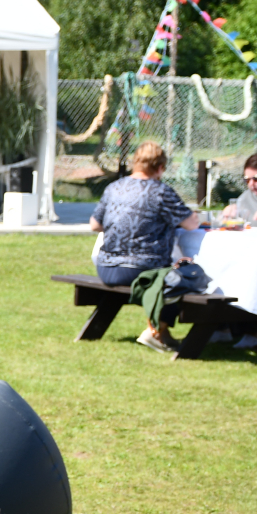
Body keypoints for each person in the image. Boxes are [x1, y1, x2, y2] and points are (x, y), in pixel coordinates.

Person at [88, 141, 200, 354]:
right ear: (160, 168)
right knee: (184, 276)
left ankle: (162, 333)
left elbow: (95, 224)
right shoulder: (160, 191)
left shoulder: (114, 187)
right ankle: (157, 330)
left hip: (106, 268)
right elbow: (191, 224)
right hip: (141, 268)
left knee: (168, 277)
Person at [222, 151, 257, 224]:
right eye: (247, 180)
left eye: (256, 179)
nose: (251, 184)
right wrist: (227, 214)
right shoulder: (244, 199)